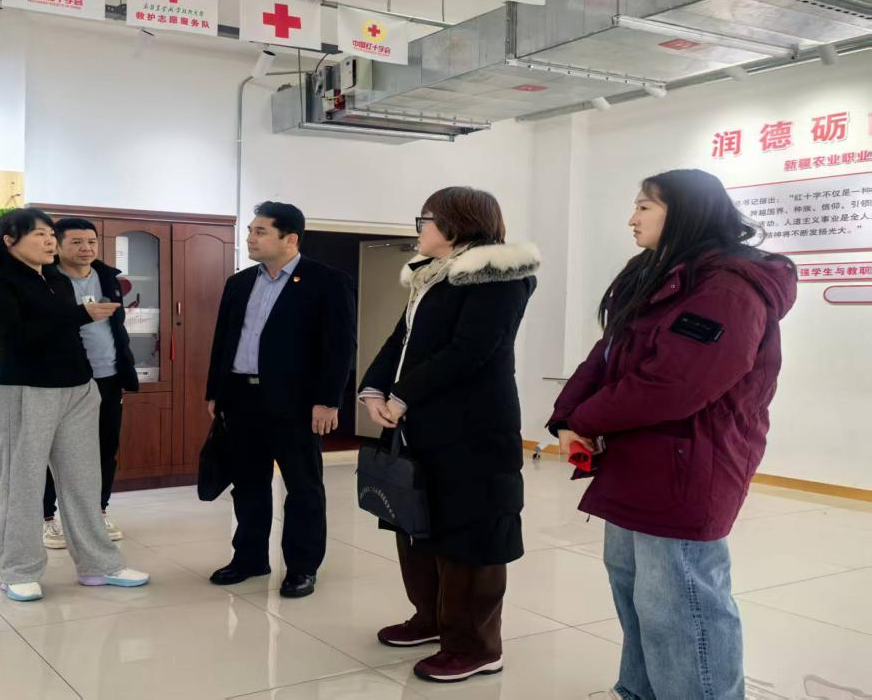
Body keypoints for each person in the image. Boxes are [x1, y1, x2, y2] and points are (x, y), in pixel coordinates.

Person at [548, 170, 797, 700]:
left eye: (644, 207)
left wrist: (587, 420)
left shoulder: (727, 288)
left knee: (681, 602)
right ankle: (640, 691)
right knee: (634, 589)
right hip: (636, 458)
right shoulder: (653, 272)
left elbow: (677, 384)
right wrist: (567, 418)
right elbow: (606, 355)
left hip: (690, 463)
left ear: (684, 212)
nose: (632, 218)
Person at [358, 186, 539, 683]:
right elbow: (401, 340)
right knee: (418, 523)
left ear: (456, 224)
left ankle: (476, 645)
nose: (419, 228)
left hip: (473, 429)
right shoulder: (431, 275)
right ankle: (432, 618)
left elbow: (469, 351)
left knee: (471, 535)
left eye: (426, 219)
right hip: (424, 426)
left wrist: (402, 396)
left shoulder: (499, 276)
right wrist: (373, 389)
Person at [0, 208, 149, 602]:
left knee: (84, 481)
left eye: (51, 234)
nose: (50, 241)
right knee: (23, 485)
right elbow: (15, 334)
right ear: (10, 241)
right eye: (40, 234)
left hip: (77, 389)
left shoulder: (55, 279)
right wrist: (80, 314)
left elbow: (68, 334)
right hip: (23, 390)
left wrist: (88, 378)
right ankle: (17, 570)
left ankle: (100, 564)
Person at [204, 201, 356, 598]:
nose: (250, 238)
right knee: (247, 484)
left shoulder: (327, 281)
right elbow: (224, 340)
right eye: (250, 231)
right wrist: (215, 391)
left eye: (260, 231)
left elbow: (339, 346)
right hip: (241, 398)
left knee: (303, 488)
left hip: (297, 403)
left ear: (290, 239)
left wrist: (328, 400)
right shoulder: (239, 283)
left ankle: (302, 567)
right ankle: (250, 557)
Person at [41, 218, 139, 550]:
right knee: (53, 452)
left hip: (108, 376)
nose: (86, 248)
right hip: (64, 379)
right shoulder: (46, 279)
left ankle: (98, 512)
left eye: (91, 242)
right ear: (57, 245)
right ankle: (47, 518)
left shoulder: (108, 277)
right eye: (77, 242)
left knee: (104, 449)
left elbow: (116, 327)